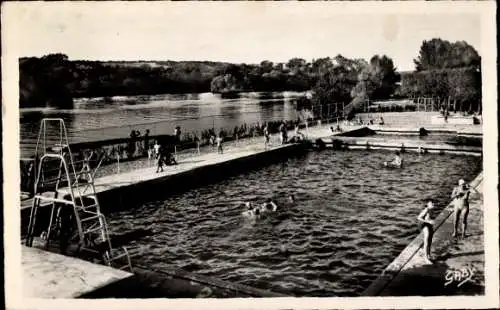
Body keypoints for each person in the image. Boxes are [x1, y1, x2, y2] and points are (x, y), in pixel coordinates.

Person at [417, 200, 436, 264]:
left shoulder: (432, 210)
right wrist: (429, 221)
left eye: (433, 203)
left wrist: (431, 221)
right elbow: (419, 217)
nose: (433, 204)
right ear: (428, 204)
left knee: (430, 240)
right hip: (424, 225)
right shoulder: (426, 210)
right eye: (431, 203)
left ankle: (428, 254)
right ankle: (426, 258)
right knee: (426, 240)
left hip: (429, 224)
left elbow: (430, 218)